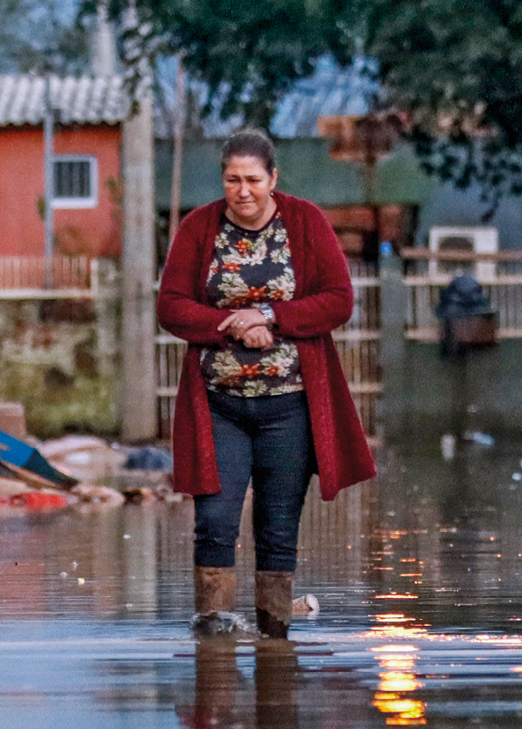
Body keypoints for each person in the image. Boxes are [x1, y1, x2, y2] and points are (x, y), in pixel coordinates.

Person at [157, 128, 377, 639]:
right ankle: (212, 632)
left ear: (273, 179)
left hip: (290, 405)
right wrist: (229, 323)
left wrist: (270, 317)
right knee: (215, 519)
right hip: (219, 404)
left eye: (253, 179)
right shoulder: (198, 228)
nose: (243, 190)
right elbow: (171, 306)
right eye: (232, 179)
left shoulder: (306, 222)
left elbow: (338, 299)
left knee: (278, 528)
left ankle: (274, 636)